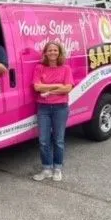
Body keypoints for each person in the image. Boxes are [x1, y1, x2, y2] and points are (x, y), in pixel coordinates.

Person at [32, 42, 74, 182]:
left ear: (59, 52)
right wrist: (57, 86)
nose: (52, 52)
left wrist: (48, 91)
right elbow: (37, 87)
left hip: (60, 108)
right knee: (44, 140)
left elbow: (67, 88)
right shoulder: (39, 67)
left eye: (55, 50)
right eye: (50, 50)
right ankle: (46, 169)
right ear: (45, 53)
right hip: (43, 108)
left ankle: (57, 168)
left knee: (58, 140)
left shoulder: (66, 68)